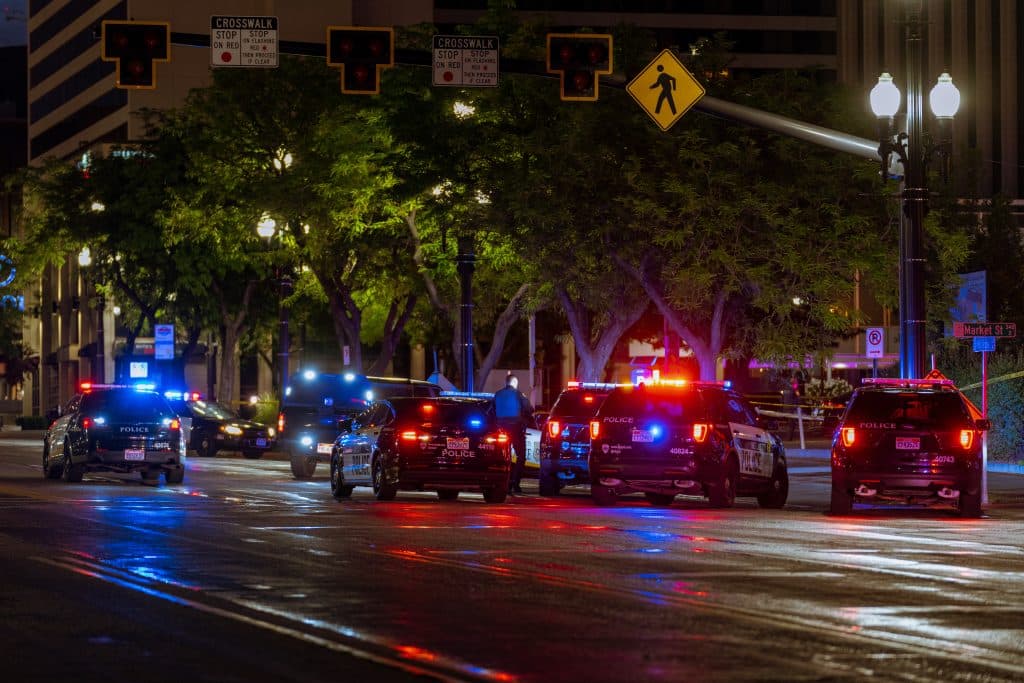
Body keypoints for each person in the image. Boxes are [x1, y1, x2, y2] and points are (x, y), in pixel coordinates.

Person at [494, 373, 533, 494]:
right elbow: (529, 409)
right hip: (515, 428)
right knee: (521, 456)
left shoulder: (497, 394)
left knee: (503, 457)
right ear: (515, 383)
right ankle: (515, 483)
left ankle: (502, 482)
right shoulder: (518, 394)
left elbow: (492, 410)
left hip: (500, 429)